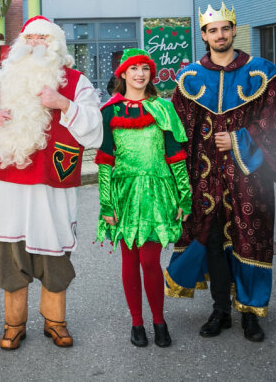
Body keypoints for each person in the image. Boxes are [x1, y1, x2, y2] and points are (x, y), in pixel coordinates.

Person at [164, 3, 276, 342]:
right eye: (213, 30)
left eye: (225, 28)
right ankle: (221, 309)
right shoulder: (189, 79)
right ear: (204, 35)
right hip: (205, 179)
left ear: (234, 30)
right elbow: (176, 131)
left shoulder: (261, 74)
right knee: (212, 242)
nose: (220, 35)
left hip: (250, 178)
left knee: (250, 240)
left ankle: (251, 313)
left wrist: (240, 140)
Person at [0, 16, 104, 350]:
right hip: (11, 185)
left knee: (54, 253)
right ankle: (14, 324)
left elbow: (95, 127)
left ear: (56, 44)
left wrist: (63, 104)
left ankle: (55, 322)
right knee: (11, 255)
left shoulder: (76, 81)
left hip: (52, 184)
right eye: (29, 38)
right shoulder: (3, 80)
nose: (35, 44)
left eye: (42, 38)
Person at [95, 48, 191, 348]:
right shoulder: (109, 111)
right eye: (134, 68)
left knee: (150, 260)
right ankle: (137, 323)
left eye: (145, 68)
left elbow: (176, 155)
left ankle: (159, 321)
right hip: (124, 193)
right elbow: (105, 160)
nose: (140, 74)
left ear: (151, 74)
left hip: (157, 193)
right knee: (129, 258)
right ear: (123, 74)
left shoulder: (163, 108)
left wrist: (185, 197)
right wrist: (106, 203)